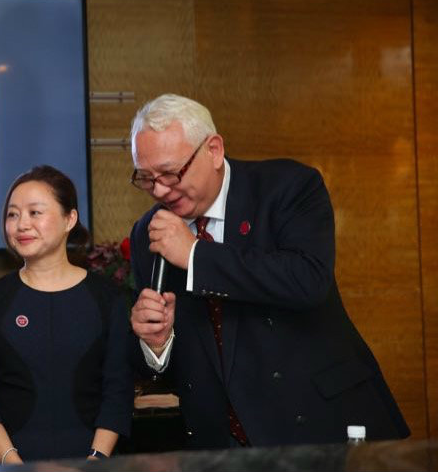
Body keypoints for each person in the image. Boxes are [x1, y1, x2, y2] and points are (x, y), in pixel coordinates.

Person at [128, 94, 409, 449]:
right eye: (146, 178)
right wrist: (157, 343)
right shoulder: (148, 232)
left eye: (171, 173)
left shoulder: (287, 187)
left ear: (213, 150)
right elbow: (175, 361)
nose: (159, 190)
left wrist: (197, 255)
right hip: (223, 443)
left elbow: (307, 280)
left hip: (317, 421)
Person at [0, 165, 133, 464]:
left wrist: (94, 462)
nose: (21, 225)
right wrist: (15, 466)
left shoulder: (108, 298)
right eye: (12, 214)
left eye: (35, 212)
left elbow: (118, 393)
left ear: (70, 219)